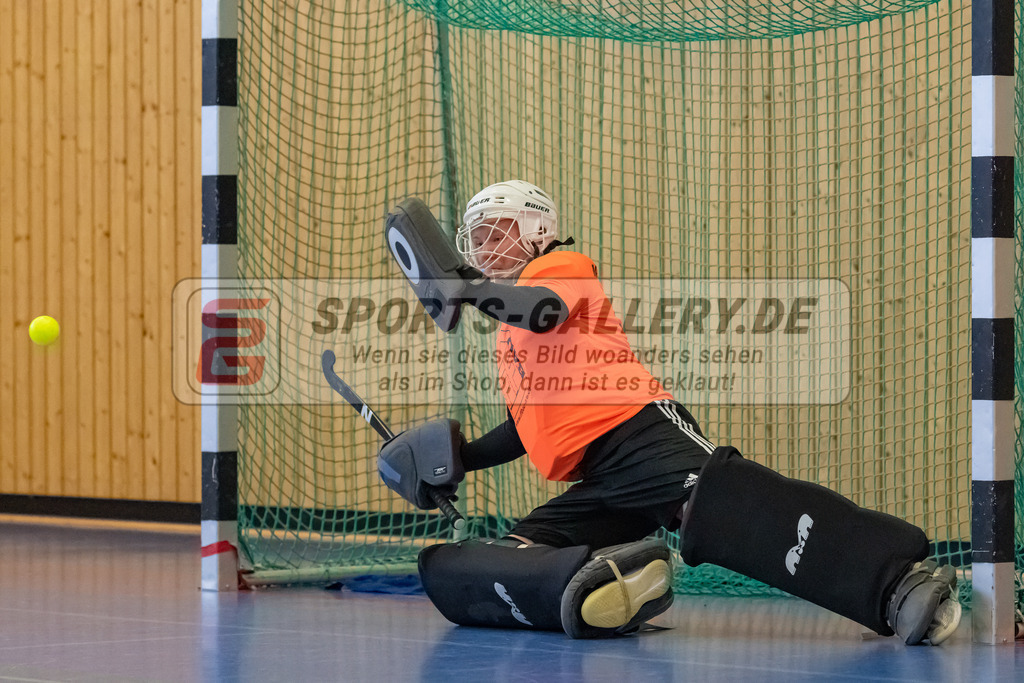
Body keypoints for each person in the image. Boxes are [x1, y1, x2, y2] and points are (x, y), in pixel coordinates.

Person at [377, 180, 962, 644]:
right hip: (598, 477)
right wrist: (458, 462)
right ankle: (608, 587)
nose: (482, 250)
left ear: (537, 229)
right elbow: (532, 426)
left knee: (717, 506)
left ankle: (897, 583)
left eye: (495, 233)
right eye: (475, 239)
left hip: (638, 432)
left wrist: (468, 291)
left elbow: (546, 311)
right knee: (505, 557)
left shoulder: (557, 268)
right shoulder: (507, 335)